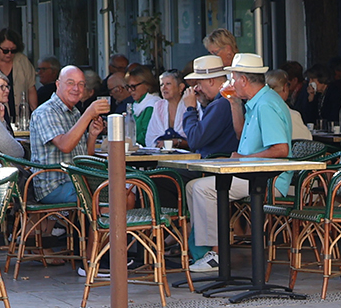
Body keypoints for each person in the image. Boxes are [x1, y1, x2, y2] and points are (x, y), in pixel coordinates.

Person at [184, 54, 293, 274]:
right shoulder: (256, 101)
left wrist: (243, 159)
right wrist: (234, 103)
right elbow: (241, 134)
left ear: (243, 79)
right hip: (251, 173)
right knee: (193, 186)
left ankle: (216, 253)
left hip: (269, 179)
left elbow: (281, 149)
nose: (230, 82)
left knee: (203, 188)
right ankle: (208, 251)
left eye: (233, 78)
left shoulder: (266, 104)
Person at [26, 65, 109, 204]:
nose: (76, 88)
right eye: (70, 83)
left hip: (76, 180)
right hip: (54, 186)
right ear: (58, 84)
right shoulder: (46, 112)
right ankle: (99, 218)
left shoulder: (75, 112)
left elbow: (85, 158)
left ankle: (101, 219)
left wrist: (92, 135)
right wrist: (88, 114)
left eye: (81, 84)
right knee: (110, 199)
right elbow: (65, 146)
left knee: (125, 194)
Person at [165, 56, 235, 157]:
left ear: (210, 81)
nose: (197, 88)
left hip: (214, 162)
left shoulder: (222, 104)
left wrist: (190, 109)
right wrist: (203, 103)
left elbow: (194, 140)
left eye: (199, 83)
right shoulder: (221, 102)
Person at [125, 66, 171, 146]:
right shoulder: (135, 104)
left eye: (133, 87)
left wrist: (126, 141)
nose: (129, 90)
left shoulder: (153, 105)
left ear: (147, 84)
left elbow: (144, 136)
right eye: (128, 87)